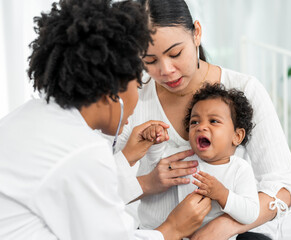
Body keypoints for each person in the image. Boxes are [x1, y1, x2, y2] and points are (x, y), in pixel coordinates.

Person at [0, 0, 211, 239]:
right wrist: (172, 229)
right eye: (138, 78)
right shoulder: (82, 151)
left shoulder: (32, 115)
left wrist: (128, 157)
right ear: (114, 88)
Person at [115, 0, 291, 239]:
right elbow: (102, 190)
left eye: (175, 53)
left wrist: (222, 227)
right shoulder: (132, 99)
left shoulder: (244, 89)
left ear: (197, 34)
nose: (166, 69)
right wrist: (149, 183)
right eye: (150, 61)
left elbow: (283, 188)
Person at [139, 83, 260, 240]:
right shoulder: (185, 158)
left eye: (214, 121)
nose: (201, 127)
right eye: (195, 122)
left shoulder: (239, 169)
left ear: (237, 136)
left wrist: (222, 194)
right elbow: (157, 161)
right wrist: (155, 140)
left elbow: (251, 213)